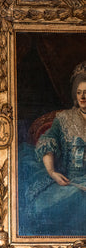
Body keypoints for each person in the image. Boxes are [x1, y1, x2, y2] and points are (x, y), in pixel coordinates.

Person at [21, 61, 86, 236]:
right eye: (79, 92)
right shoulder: (64, 118)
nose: (82, 97)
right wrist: (52, 172)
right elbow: (47, 141)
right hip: (71, 181)